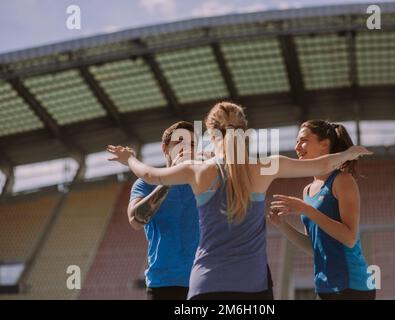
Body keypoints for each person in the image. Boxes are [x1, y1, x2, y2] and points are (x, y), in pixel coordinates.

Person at [108, 102, 372, 300]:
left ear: (211, 134)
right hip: (253, 290)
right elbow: (322, 163)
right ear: (244, 132)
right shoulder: (264, 168)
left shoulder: (197, 170)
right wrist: (348, 152)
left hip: (205, 288)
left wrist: (128, 158)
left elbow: (149, 174)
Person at [269, 120, 376, 300]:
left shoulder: (343, 180)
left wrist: (306, 209)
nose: (297, 146)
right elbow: (314, 248)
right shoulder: (307, 190)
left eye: (303, 140)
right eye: (296, 142)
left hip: (352, 285)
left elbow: (349, 239)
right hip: (324, 286)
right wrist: (281, 225)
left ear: (324, 144)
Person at [127, 121, 200, 300]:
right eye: (179, 142)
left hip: (203, 282)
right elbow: (136, 220)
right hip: (163, 285)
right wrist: (168, 180)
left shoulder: (206, 181)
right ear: (165, 148)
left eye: (192, 144)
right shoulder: (145, 183)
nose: (186, 148)